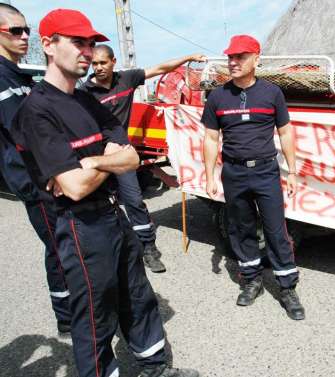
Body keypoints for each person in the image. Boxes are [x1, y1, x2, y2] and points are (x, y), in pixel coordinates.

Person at [11, 9, 199, 377]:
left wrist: (92, 163)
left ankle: (155, 367)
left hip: (114, 213)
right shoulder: (36, 109)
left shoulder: (85, 101)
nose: (87, 51)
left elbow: (129, 155)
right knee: (97, 315)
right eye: (78, 42)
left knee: (137, 295)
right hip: (81, 226)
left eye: (92, 43)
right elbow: (74, 187)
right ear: (48, 45)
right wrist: (105, 160)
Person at [202, 35, 305, 320]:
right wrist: (210, 175)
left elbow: (285, 132)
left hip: (265, 171)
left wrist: (293, 172)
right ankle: (252, 280)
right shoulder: (218, 96)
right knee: (240, 228)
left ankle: (287, 287)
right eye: (230, 57)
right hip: (233, 172)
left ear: (256, 59)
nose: (233, 62)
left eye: (240, 57)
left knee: (275, 230)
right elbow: (211, 138)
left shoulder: (272, 93)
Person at [81, 45, 206, 273]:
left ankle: (148, 248)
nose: (98, 68)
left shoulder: (126, 79)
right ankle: (111, 251)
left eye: (103, 63)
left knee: (133, 200)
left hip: (122, 153)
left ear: (113, 62)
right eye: (94, 64)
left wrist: (188, 56)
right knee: (100, 204)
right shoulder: (85, 92)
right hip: (97, 156)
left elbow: (159, 68)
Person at [0, 3, 71, 335]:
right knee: (58, 247)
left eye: (27, 29)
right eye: (16, 30)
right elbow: (23, 132)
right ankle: (67, 318)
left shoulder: (22, 75)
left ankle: (76, 308)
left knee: (67, 243)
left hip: (51, 176)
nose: (25, 36)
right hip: (34, 181)